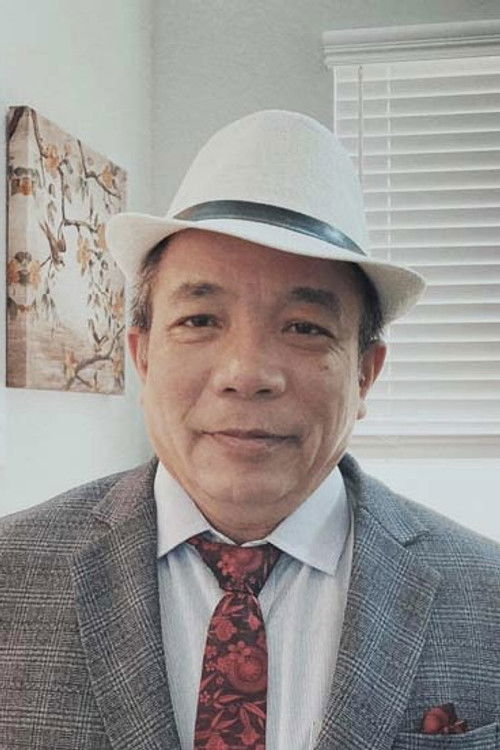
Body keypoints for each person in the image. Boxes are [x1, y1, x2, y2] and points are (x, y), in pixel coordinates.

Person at [1, 110, 499, 750]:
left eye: (305, 328)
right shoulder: (12, 573)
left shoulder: (487, 596)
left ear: (364, 375)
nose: (247, 374)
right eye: (200, 320)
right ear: (142, 356)